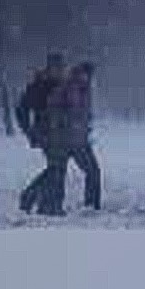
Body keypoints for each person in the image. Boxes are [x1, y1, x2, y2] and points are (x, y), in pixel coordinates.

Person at [37, 61, 101, 215]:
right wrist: (66, 124)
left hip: (79, 140)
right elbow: (53, 109)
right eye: (86, 74)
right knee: (58, 173)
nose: (88, 78)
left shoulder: (86, 89)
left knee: (92, 171)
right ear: (80, 73)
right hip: (62, 140)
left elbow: (83, 112)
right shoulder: (67, 86)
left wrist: (86, 125)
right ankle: (51, 206)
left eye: (90, 75)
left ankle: (91, 205)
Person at [15, 52, 67, 214]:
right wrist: (29, 131)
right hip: (45, 133)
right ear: (49, 67)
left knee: (58, 168)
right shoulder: (38, 85)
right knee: (56, 168)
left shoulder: (62, 85)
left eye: (61, 67)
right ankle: (32, 196)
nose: (59, 71)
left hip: (59, 133)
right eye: (56, 67)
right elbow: (21, 109)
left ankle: (50, 204)